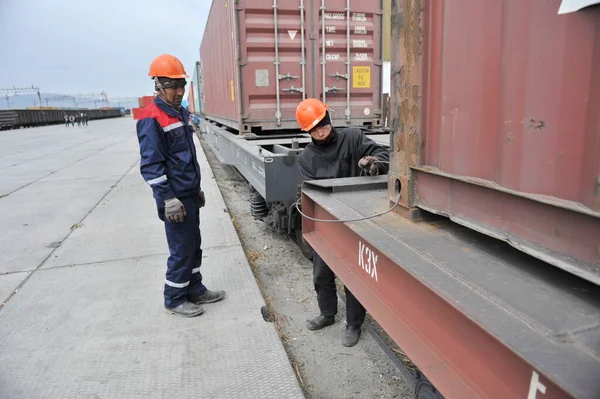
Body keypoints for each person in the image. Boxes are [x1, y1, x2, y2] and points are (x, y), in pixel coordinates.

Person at [135, 54, 226, 317]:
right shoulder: (151, 117)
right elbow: (151, 165)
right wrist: (167, 198)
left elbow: (185, 156)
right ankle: (174, 298)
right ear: (158, 86)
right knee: (181, 248)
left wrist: (195, 187)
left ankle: (195, 289)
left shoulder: (181, 112)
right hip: (173, 197)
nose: (179, 91)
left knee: (194, 244)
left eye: (181, 85)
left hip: (187, 193)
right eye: (173, 86)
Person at [296, 98, 389, 347]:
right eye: (313, 130)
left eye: (322, 125)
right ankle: (327, 314)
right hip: (325, 223)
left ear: (328, 119)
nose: (320, 131)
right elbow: (308, 193)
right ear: (307, 132)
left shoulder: (353, 138)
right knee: (321, 273)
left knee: (353, 276)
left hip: (355, 220)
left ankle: (353, 325)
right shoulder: (306, 158)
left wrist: (374, 164)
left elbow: (382, 153)